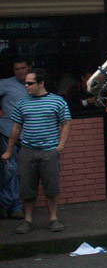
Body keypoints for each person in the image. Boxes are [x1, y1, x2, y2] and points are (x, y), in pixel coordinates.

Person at [1, 68, 72, 234]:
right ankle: (27, 220)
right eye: (25, 83)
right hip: (27, 151)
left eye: (30, 83)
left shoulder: (57, 101)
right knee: (26, 188)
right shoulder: (22, 103)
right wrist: (9, 150)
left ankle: (53, 218)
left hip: (49, 151)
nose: (26, 86)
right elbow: (16, 126)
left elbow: (66, 123)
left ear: (41, 83)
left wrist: (60, 146)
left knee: (51, 188)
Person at [0, 58, 30, 220]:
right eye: (17, 68)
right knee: (8, 170)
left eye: (23, 68)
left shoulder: (35, 84)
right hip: (7, 131)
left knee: (22, 173)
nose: (20, 71)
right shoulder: (5, 83)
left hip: (28, 135)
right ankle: (10, 206)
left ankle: (12, 205)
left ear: (29, 68)